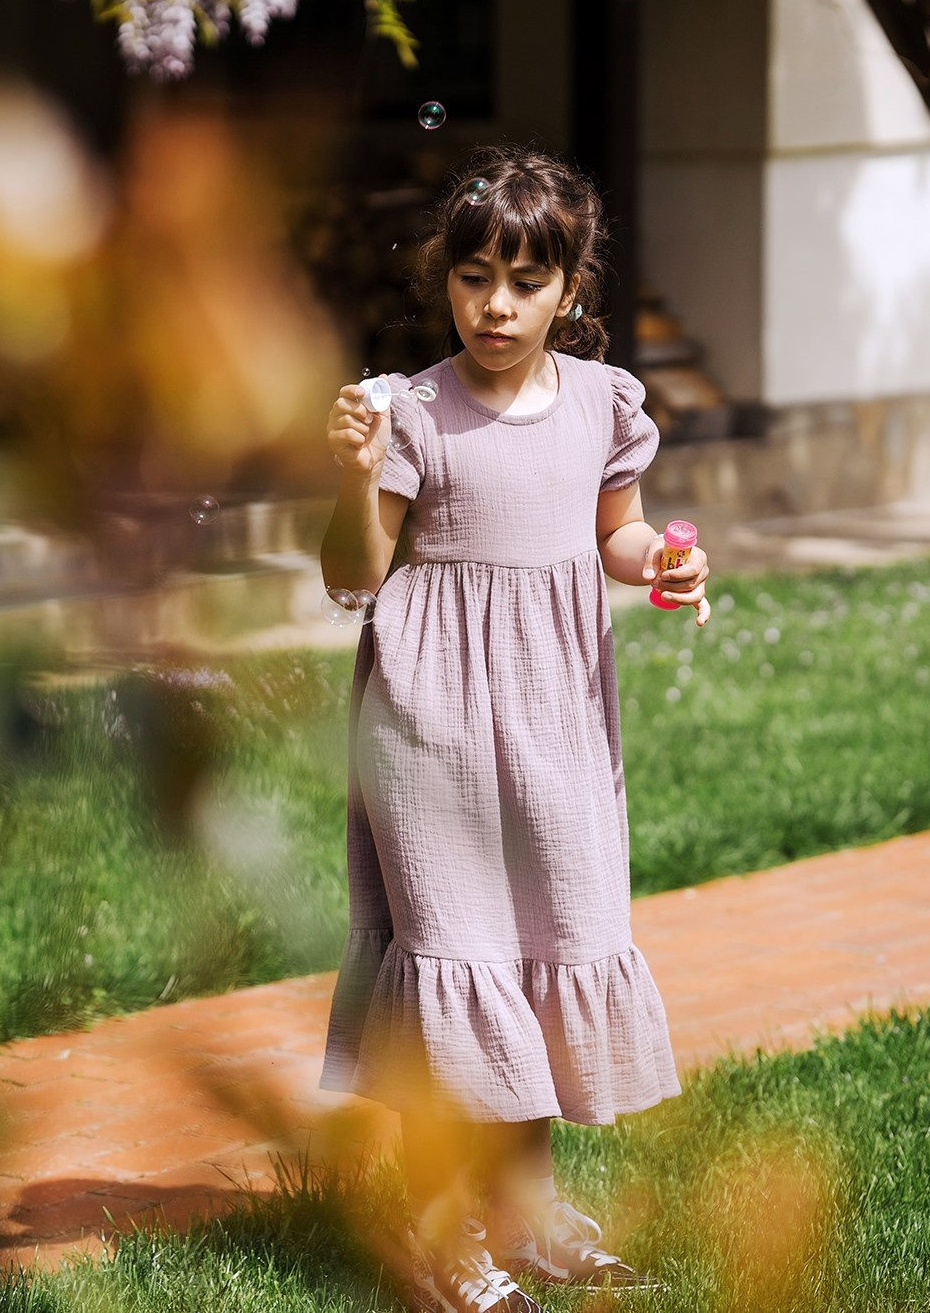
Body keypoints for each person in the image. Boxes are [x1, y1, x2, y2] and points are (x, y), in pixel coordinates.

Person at [318, 146, 711, 1313]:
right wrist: (353, 478)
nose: (495, 305)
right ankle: (437, 1231)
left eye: (525, 282)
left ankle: (527, 1215)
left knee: (543, 942)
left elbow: (614, 532)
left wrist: (661, 565)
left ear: (569, 289)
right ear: (444, 280)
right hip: (430, 721)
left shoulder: (601, 402)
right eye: (473, 277)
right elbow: (352, 577)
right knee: (456, 951)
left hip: (555, 714)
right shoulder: (410, 412)